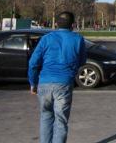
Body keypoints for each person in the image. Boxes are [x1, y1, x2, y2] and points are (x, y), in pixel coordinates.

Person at [28, 11, 86, 143]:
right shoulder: (78, 39)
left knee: (45, 118)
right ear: (73, 25)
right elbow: (82, 61)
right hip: (64, 83)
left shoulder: (46, 38)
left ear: (56, 23)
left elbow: (33, 63)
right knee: (61, 122)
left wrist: (33, 83)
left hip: (44, 83)